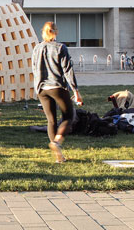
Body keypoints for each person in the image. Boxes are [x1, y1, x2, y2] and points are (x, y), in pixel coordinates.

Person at [32, 22, 83, 163]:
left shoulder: (37, 48)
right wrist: (76, 91)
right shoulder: (61, 48)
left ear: (43, 33)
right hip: (57, 87)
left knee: (51, 120)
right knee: (69, 116)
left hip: (42, 88)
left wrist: (37, 88)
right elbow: (68, 70)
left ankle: (58, 156)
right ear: (56, 32)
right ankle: (57, 142)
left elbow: (34, 68)